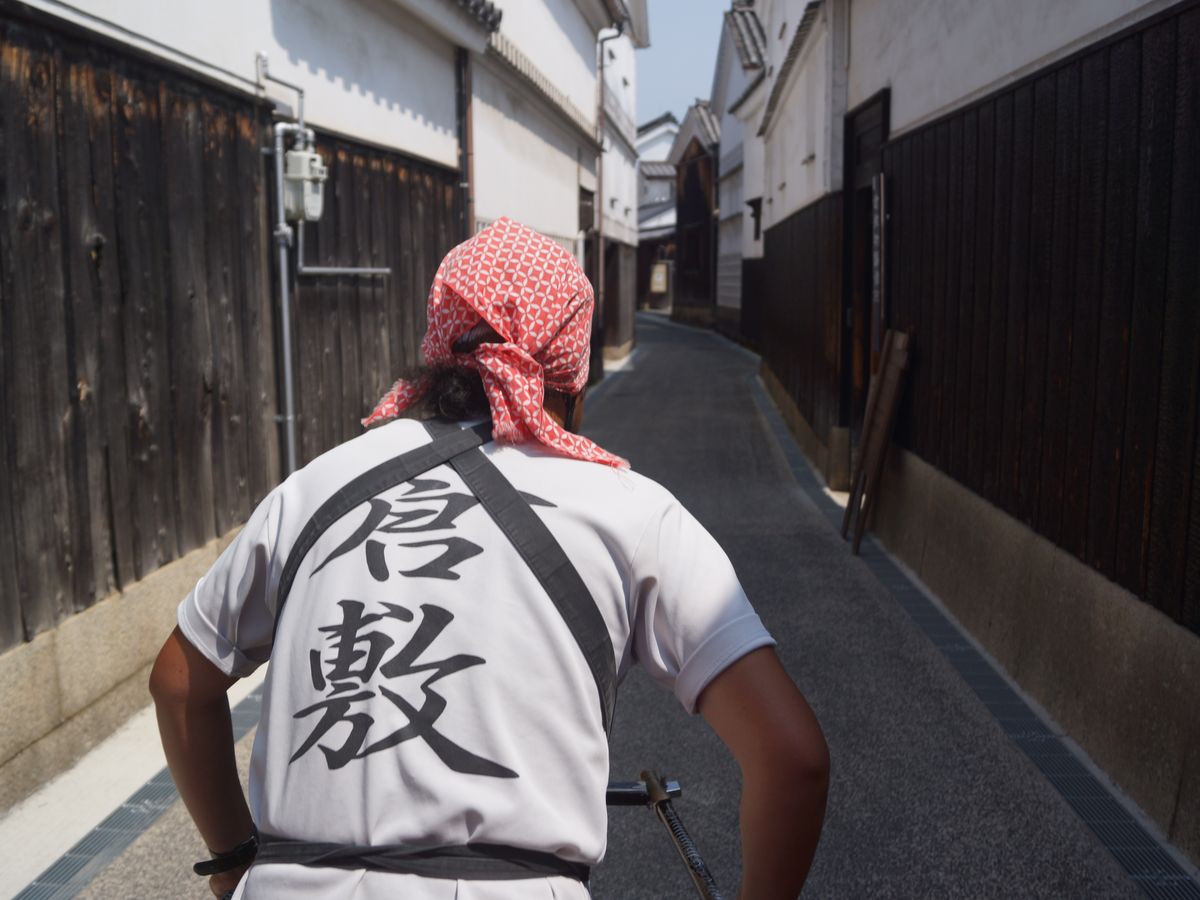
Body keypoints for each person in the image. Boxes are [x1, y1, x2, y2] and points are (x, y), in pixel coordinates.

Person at [150, 216, 829, 900]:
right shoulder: (634, 511)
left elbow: (179, 682)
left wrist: (234, 858)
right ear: (572, 378)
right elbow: (793, 759)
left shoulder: (314, 488)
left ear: (437, 349)